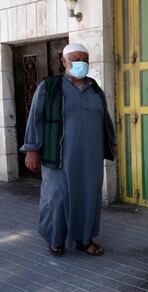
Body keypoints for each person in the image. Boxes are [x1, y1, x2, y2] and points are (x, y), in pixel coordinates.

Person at [20, 43, 116, 256]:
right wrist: (32, 149)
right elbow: (35, 117)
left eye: (84, 59)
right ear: (64, 61)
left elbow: (105, 119)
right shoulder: (50, 86)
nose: (81, 63)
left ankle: (84, 240)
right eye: (75, 58)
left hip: (90, 157)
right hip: (59, 156)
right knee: (57, 198)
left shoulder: (94, 88)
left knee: (88, 197)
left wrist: (112, 143)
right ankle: (56, 239)